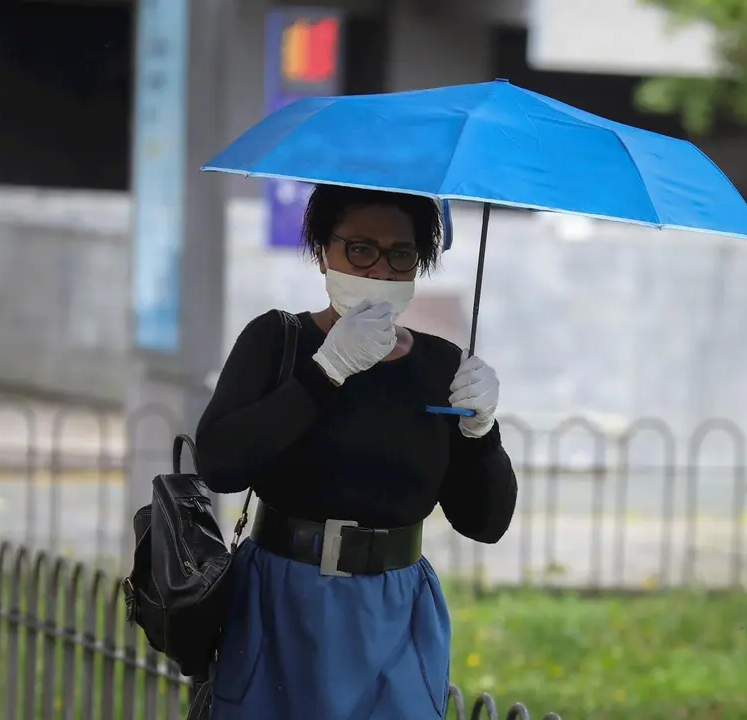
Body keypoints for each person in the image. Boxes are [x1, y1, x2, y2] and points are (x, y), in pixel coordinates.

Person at [195, 184, 518, 719]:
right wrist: (326, 372)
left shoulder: (441, 367)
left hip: (394, 611)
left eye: (401, 255)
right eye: (360, 249)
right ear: (324, 252)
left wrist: (484, 431)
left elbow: (485, 521)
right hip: (281, 598)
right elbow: (220, 464)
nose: (380, 271)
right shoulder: (278, 342)